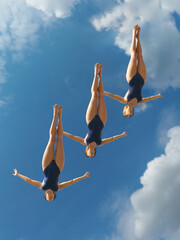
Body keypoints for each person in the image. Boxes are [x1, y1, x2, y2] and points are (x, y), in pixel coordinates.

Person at [13, 105, 90, 202]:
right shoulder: (57, 188)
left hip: (46, 166)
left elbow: (29, 180)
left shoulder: (42, 186)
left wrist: (18, 174)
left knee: (52, 139)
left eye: (48, 199)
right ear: (54, 195)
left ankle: (54, 115)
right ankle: (60, 115)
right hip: (58, 167)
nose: (50, 198)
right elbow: (71, 182)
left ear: (45, 195)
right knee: (60, 140)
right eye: (52, 198)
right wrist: (83, 177)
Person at [63, 63, 127, 158]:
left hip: (90, 121)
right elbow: (111, 138)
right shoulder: (99, 143)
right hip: (102, 121)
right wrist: (121, 135)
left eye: (89, 154)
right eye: (93, 154)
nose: (92, 153)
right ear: (94, 152)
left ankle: (95, 74)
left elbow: (73, 137)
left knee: (94, 96)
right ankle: (100, 75)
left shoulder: (84, 142)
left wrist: (62, 132)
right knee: (101, 97)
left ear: (86, 152)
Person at [104, 25, 163, 118]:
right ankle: (138, 36)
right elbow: (149, 98)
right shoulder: (139, 102)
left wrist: (102, 92)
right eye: (131, 114)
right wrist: (157, 96)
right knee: (140, 56)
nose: (130, 112)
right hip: (142, 79)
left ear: (125, 110)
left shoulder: (124, 100)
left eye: (128, 113)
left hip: (131, 78)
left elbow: (112, 95)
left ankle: (133, 35)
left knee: (134, 56)